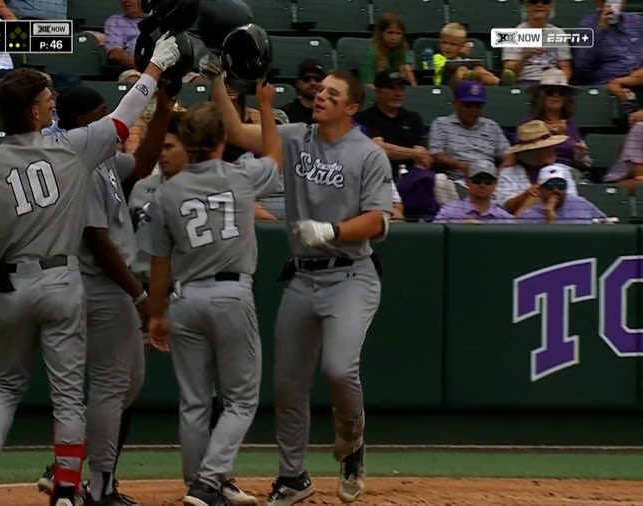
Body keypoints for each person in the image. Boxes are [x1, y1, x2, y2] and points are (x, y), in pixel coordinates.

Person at [0, 33, 180, 506]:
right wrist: (156, 67)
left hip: (11, 285)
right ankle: (66, 490)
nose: (52, 100)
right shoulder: (70, 147)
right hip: (62, 279)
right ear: (34, 111)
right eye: (46, 97)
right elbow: (124, 116)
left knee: (7, 386)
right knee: (69, 396)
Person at [201, 54, 392, 505]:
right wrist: (217, 83)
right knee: (287, 384)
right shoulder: (296, 137)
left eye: (333, 94)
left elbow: (380, 221)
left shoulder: (367, 153)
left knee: (339, 369)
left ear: (352, 108)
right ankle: (292, 477)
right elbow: (237, 133)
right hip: (303, 277)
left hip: (351, 274)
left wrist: (332, 230)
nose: (321, 96)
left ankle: (352, 440)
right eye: (320, 90)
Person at [145, 80, 282, 506]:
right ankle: (209, 480)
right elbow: (274, 156)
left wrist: (156, 314)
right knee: (241, 400)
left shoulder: (166, 192)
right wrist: (263, 104)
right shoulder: (240, 178)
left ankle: (201, 485)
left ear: (185, 142)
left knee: (193, 401)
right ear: (223, 138)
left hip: (184, 299)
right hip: (230, 294)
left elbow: (159, 265)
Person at [33, 84, 171, 506]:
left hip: (107, 285)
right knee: (112, 385)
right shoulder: (82, 163)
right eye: (99, 113)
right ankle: (99, 486)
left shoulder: (104, 159)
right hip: (98, 283)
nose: (112, 120)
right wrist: (138, 295)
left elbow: (144, 163)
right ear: (80, 123)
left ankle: (67, 467)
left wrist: (164, 105)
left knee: (128, 381)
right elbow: (98, 241)